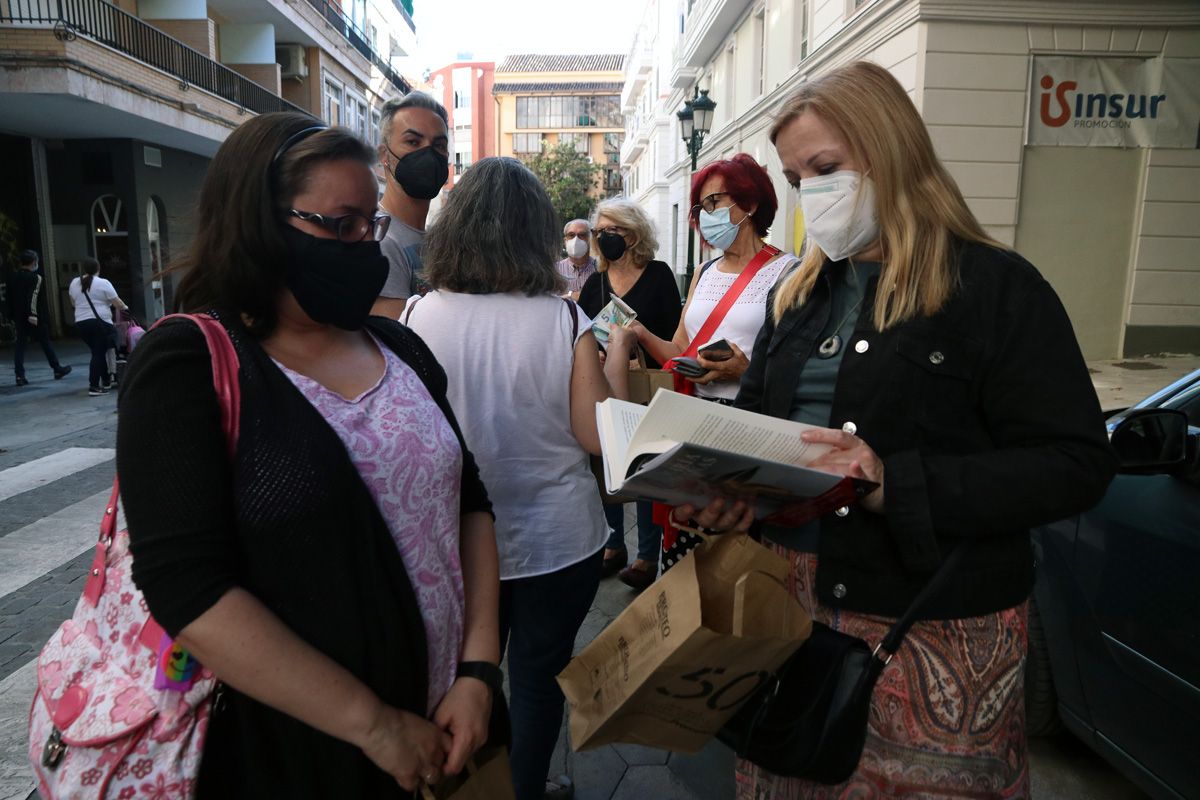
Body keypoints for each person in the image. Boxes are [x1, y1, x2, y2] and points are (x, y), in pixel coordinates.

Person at [674, 61, 1117, 798]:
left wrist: (893, 481)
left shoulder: (996, 290)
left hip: (933, 628)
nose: (810, 192)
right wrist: (727, 490)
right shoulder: (798, 295)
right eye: (794, 176)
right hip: (791, 616)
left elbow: (1075, 464)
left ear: (892, 152)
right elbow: (757, 427)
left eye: (826, 167)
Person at [116, 113, 501, 797]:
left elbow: (470, 500)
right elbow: (188, 586)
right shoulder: (186, 363)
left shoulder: (402, 349)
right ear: (258, 223)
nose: (363, 245)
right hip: (301, 755)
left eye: (370, 226)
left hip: (451, 725)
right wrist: (376, 727)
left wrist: (477, 671)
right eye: (340, 224)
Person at [404, 156, 632, 800]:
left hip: (453, 543)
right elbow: (596, 435)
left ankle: (469, 786)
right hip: (559, 541)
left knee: (466, 680)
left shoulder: (416, 318)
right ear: (536, 235)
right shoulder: (562, 321)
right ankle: (525, 789)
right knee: (538, 679)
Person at [577, 199, 681, 591]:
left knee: (646, 466)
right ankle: (614, 544)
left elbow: (674, 339)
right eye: (599, 232)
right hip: (604, 387)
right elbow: (581, 336)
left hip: (649, 391)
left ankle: (647, 556)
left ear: (633, 234)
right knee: (607, 460)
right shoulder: (594, 282)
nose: (604, 239)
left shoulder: (659, 276)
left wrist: (640, 347)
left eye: (612, 231)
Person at [372, 93, 450, 317]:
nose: (428, 152)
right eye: (413, 142)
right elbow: (397, 340)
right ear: (385, 155)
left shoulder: (433, 240)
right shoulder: (380, 239)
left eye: (439, 145)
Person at [8, 249, 71, 386]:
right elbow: (33, 296)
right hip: (35, 316)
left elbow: (10, 298)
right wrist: (33, 314)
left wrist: (12, 314)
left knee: (20, 345)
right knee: (45, 342)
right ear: (34, 262)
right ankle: (56, 368)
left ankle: (19, 375)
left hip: (19, 316)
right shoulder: (36, 278)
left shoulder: (13, 277)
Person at [69, 257, 126, 396]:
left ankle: (106, 381)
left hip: (81, 323)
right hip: (100, 323)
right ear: (98, 269)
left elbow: (73, 303)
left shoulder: (74, 282)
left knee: (97, 352)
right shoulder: (103, 283)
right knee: (98, 353)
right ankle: (93, 386)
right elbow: (117, 303)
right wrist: (126, 308)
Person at [554, 218, 597, 302]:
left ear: (590, 239)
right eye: (571, 235)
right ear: (565, 241)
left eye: (582, 235)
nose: (576, 240)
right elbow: (549, 301)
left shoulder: (601, 269)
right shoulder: (554, 270)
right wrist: (571, 296)